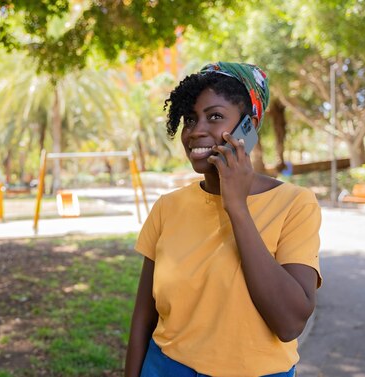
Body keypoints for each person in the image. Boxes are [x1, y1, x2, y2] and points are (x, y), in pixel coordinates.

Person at [125, 62, 322, 377]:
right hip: (164, 367)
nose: (196, 130)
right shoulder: (167, 207)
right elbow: (143, 319)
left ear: (250, 125)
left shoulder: (295, 204)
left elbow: (289, 323)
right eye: (190, 119)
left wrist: (237, 207)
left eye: (214, 116)